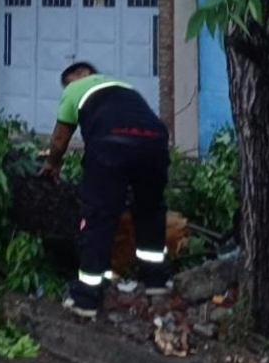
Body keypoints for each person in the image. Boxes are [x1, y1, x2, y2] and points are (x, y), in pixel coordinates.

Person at [39, 61, 171, 318]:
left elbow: (59, 139)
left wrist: (52, 163)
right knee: (150, 211)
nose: (66, 88)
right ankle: (156, 282)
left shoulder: (75, 89)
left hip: (111, 144)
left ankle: (86, 299)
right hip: (155, 142)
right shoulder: (125, 87)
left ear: (83, 73)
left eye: (68, 81)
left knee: (98, 217)